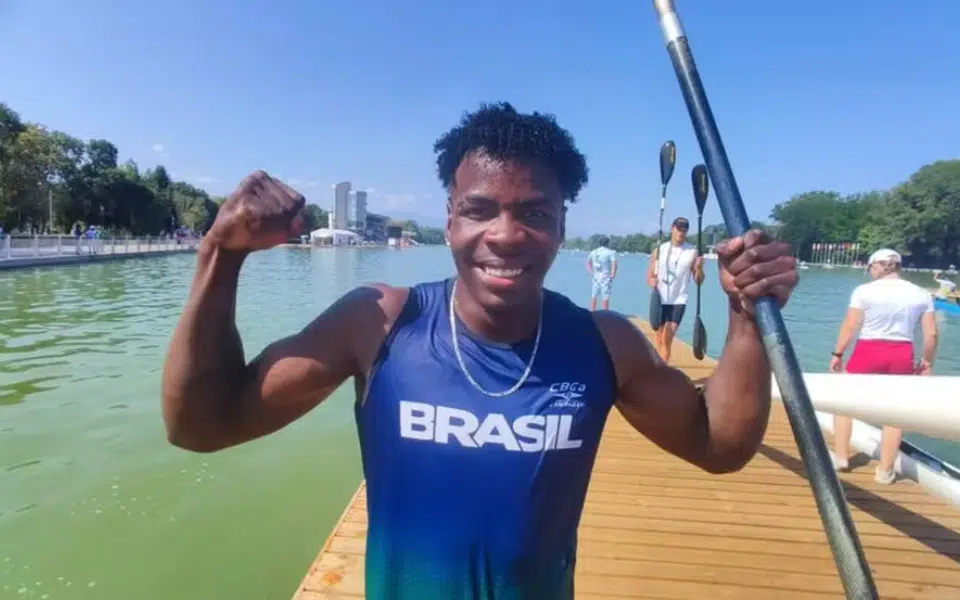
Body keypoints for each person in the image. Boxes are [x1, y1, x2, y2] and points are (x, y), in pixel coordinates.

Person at [161, 102, 799, 599]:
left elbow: (718, 445)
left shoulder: (604, 343)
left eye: (535, 214)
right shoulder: (379, 323)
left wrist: (746, 317)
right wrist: (220, 254)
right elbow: (201, 425)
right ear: (450, 222)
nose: (505, 234)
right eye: (479, 210)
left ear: (562, 228)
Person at [829, 248, 937, 485]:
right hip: (901, 352)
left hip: (868, 349)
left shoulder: (864, 291)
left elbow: (850, 325)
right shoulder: (921, 294)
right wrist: (927, 362)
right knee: (894, 414)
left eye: (870, 268)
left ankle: (841, 458)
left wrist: (838, 353)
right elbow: (931, 335)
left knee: (844, 404)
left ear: (877, 266)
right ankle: (885, 471)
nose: (870, 272)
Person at [645, 217, 704, 364]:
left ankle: (661, 371)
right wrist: (652, 282)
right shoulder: (659, 250)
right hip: (660, 298)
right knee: (659, 337)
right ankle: (660, 364)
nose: (681, 232)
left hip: (679, 300)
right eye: (679, 229)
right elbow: (649, 277)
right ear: (672, 228)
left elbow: (699, 281)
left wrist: (699, 268)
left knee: (667, 337)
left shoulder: (692, 252)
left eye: (684, 230)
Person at [585, 235, 617, 310]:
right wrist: (613, 274)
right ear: (607, 243)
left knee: (594, 295)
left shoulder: (594, 252)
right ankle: (605, 313)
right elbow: (614, 264)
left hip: (595, 276)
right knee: (605, 296)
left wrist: (591, 272)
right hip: (605, 277)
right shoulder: (610, 252)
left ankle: (592, 311)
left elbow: (587, 262)